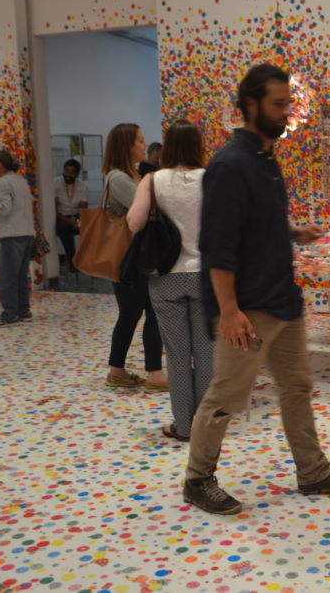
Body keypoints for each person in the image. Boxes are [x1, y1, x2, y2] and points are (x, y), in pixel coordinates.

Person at [183, 64, 330, 515]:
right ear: (250, 105)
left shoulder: (265, 159)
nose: (287, 113)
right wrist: (228, 309)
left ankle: (313, 472)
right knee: (226, 396)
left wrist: (292, 231)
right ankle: (197, 479)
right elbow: (217, 247)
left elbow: (254, 223)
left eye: (289, 103)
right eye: (278, 104)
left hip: (283, 299)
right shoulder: (229, 165)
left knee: (298, 387)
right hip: (249, 307)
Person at [127, 120, 211, 442]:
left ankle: (184, 427)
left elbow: (134, 223)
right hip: (205, 276)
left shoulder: (152, 180)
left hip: (166, 279)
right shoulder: (211, 179)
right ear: (197, 146)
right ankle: (205, 427)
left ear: (169, 146)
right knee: (206, 355)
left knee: (176, 356)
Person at [103, 123, 165, 391]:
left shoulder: (134, 174)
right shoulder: (117, 178)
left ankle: (118, 370)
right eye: (139, 141)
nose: (144, 144)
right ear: (126, 146)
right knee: (147, 311)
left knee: (132, 313)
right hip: (128, 257)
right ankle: (154, 374)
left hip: (136, 256)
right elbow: (147, 210)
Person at [0, 151, 35, 327]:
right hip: (27, 232)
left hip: (12, 234)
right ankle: (23, 310)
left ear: (0, 165)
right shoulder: (21, 181)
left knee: (7, 277)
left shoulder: (3, 183)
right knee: (20, 275)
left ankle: (10, 313)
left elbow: (5, 209)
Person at [53, 158, 88, 271]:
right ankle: (72, 260)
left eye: (72, 172)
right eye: (66, 171)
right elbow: (53, 210)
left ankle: (90, 259)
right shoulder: (56, 183)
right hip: (61, 217)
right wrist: (70, 222)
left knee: (91, 227)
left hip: (76, 216)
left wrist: (79, 222)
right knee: (63, 228)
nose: (68, 174)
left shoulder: (82, 186)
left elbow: (83, 210)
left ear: (77, 173)